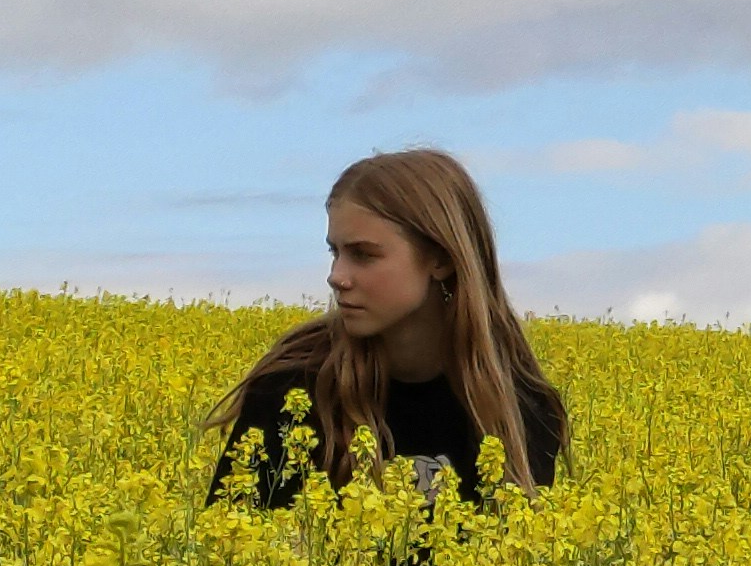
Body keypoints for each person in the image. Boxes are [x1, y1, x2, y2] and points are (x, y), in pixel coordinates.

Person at [213, 147, 570, 506]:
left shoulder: (519, 407)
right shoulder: (293, 385)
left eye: (363, 255)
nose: (336, 277)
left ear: (441, 259)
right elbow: (231, 541)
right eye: (335, 252)